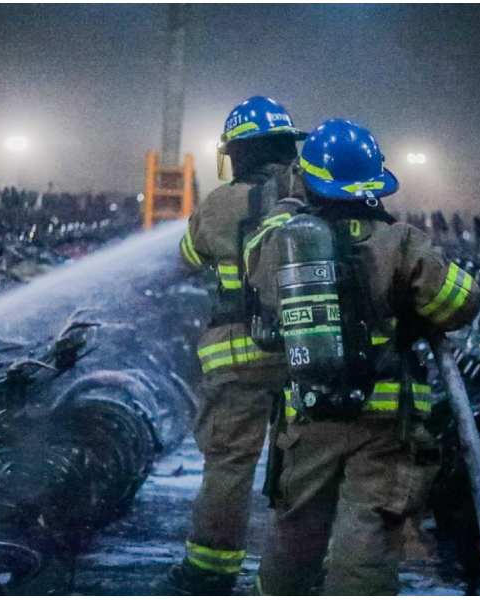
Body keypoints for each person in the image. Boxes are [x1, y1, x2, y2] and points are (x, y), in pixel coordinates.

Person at [243, 118, 480, 595]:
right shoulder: (401, 241)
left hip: (310, 415)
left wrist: (288, 205)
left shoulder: (281, 243)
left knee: (296, 530)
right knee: (367, 534)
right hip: (385, 424)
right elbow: (460, 304)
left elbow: (258, 278)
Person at [167, 96, 307, 595]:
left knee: (229, 464)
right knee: (306, 467)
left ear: (238, 153)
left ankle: (211, 570)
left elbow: (187, 257)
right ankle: (296, 575)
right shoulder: (313, 195)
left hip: (236, 357)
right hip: (306, 356)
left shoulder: (219, 204)